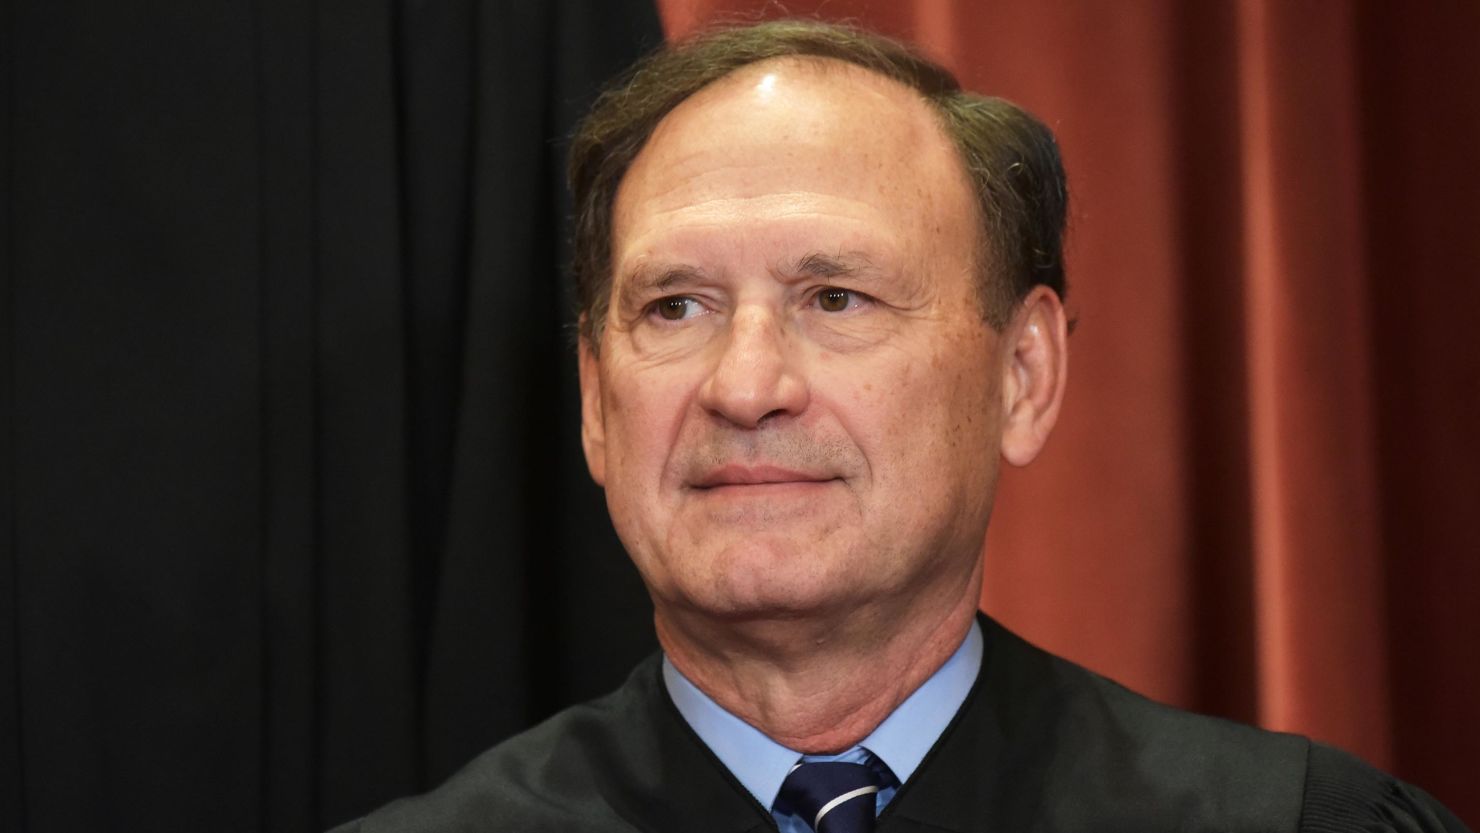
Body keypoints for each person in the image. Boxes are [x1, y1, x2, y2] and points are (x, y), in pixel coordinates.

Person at [331, 20, 1469, 833]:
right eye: (676, 305)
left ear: (1023, 374)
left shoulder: (1294, 823)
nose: (747, 383)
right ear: (593, 397)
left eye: (836, 298)